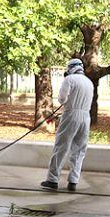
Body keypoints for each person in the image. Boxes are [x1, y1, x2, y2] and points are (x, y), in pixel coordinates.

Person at [40, 58, 93, 192]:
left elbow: (62, 99)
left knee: (61, 147)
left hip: (71, 115)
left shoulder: (69, 79)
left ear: (70, 68)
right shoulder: (89, 82)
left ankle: (52, 180)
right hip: (86, 117)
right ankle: (73, 181)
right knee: (79, 150)